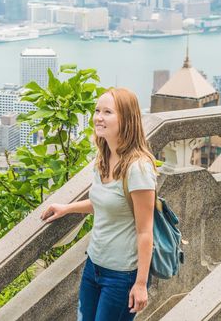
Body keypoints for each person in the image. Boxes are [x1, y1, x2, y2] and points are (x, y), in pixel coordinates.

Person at [40, 88, 157, 321]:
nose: (98, 117)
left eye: (107, 112)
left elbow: (145, 231)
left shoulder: (138, 169)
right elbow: (106, 204)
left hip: (122, 276)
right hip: (94, 267)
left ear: (126, 120)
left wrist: (141, 284)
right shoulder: (103, 158)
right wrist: (67, 208)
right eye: (97, 111)